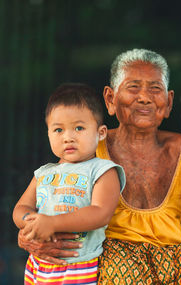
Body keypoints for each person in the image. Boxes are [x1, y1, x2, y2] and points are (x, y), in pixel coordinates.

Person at [18, 49, 181, 284]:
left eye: (155, 88)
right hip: (117, 259)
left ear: (168, 102)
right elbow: (52, 198)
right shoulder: (87, 149)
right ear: (110, 99)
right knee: (118, 273)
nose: (144, 97)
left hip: (178, 255)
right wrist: (28, 236)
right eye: (133, 87)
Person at [13, 83, 126, 284]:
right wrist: (32, 221)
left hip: (79, 265)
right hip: (39, 264)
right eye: (58, 130)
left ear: (101, 133)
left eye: (79, 128)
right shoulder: (43, 173)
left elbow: (100, 213)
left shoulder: (103, 170)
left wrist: (53, 223)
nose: (68, 137)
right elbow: (20, 208)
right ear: (48, 133)